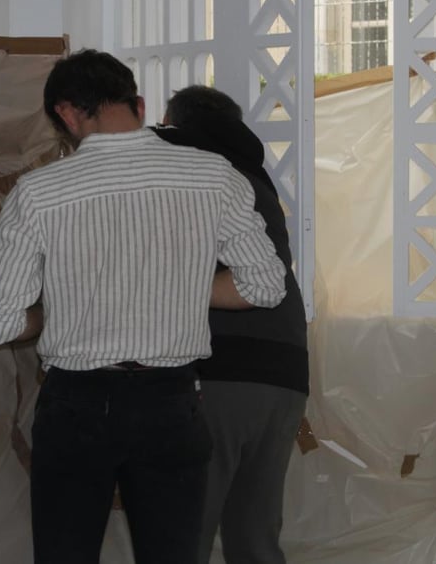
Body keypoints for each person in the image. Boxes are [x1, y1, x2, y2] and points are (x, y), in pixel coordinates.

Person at [0, 50, 288, 564]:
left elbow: (0, 325)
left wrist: (53, 312)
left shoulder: (38, 193)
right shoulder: (213, 176)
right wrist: (179, 284)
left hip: (75, 405)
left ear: (66, 114)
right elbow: (265, 285)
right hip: (170, 402)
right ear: (139, 105)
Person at [154, 85, 309, 564]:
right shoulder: (257, 178)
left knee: (184, 533)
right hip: (286, 373)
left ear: (174, 122)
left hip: (220, 369)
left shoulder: (183, 163)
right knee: (254, 536)